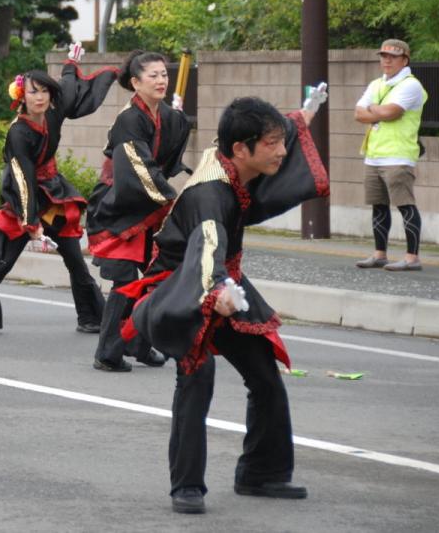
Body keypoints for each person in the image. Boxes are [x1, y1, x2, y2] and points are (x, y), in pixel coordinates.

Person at [127, 92, 329, 515]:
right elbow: (207, 249)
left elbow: (283, 130)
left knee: (264, 375)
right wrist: (216, 290)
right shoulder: (210, 194)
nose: (282, 150)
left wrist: (302, 116)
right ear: (241, 149)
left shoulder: (234, 153)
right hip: (177, 289)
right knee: (197, 375)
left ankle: (261, 472)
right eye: (272, 143)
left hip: (224, 280)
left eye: (279, 140)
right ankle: (186, 486)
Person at [0, 43, 117, 334]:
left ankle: (92, 317)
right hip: (24, 198)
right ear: (22, 96)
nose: (41, 97)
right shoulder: (18, 133)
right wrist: (29, 221)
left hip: (54, 195)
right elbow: (22, 178)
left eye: (45, 91)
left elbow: (69, 86)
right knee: (3, 262)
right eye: (34, 92)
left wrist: (71, 62)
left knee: (74, 260)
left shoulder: (54, 113)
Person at [85, 51, 192, 373]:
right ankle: (108, 351)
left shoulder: (170, 117)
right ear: (135, 82)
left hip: (150, 203)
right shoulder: (129, 119)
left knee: (156, 276)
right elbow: (138, 167)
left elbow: (168, 158)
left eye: (163, 74)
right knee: (125, 279)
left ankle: (139, 342)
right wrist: (171, 199)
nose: (161, 80)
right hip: (120, 205)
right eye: (153, 76)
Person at [354, 39, 428, 272]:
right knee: (378, 205)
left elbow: (391, 112)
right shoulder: (377, 83)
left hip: (399, 155)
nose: (386, 60)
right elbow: (358, 114)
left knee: (405, 205)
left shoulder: (410, 85)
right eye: (383, 56)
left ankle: (411, 257)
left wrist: (374, 109)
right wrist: (379, 112)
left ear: (404, 60)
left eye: (392, 57)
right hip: (374, 154)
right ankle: (380, 254)